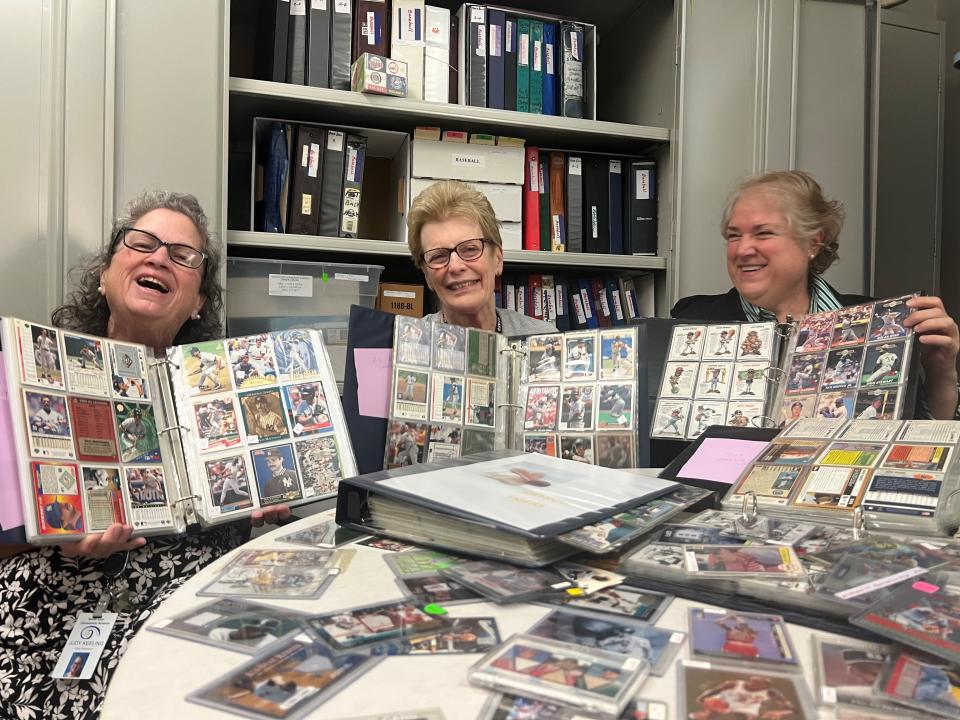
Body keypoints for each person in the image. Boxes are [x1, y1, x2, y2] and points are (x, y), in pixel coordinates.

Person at [0, 190, 291, 718]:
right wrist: (60, 540)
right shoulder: (27, 377)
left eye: (184, 256)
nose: (159, 258)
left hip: (179, 635)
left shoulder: (216, 396)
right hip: (51, 621)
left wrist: (255, 501)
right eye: (142, 243)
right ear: (106, 275)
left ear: (199, 300)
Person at [672, 170, 959, 420]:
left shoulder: (879, 324)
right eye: (734, 235)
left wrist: (940, 372)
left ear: (814, 241)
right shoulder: (690, 321)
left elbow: (918, 436)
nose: (742, 249)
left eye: (763, 233)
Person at [407, 180, 557, 336]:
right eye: (438, 256)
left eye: (470, 249)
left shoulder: (545, 340)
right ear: (427, 276)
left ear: (497, 259)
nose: (456, 266)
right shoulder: (409, 348)